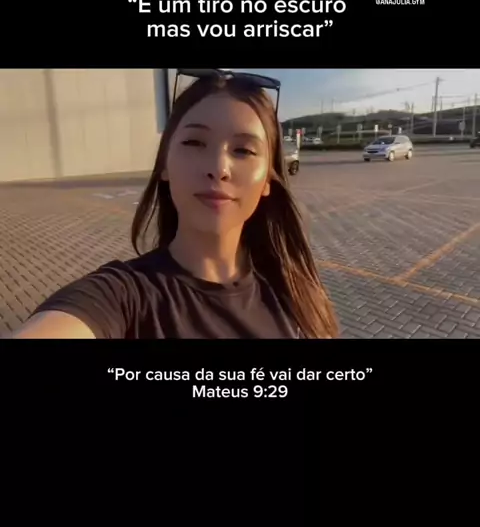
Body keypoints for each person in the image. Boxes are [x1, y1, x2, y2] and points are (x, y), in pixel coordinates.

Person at [8, 71, 339, 339]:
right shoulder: (125, 297)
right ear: (164, 164)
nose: (218, 168)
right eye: (195, 142)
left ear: (267, 180)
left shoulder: (295, 295)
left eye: (243, 150)